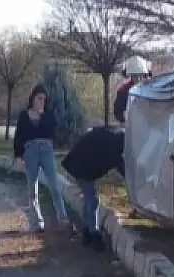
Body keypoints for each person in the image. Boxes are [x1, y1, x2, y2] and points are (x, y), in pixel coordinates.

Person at [13, 85, 70, 234]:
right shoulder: (24, 115)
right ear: (33, 98)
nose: (41, 101)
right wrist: (18, 156)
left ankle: (63, 218)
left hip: (46, 149)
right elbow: (19, 137)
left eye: (44, 99)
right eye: (39, 98)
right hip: (30, 151)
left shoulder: (48, 115)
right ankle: (37, 222)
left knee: (54, 186)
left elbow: (52, 132)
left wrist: (43, 115)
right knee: (32, 188)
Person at [60, 125, 126, 253]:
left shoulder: (116, 134)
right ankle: (94, 234)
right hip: (82, 165)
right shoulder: (116, 142)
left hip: (81, 162)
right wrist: (130, 179)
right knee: (93, 200)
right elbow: (119, 163)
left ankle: (87, 232)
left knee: (89, 200)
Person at [113, 56, 152, 124]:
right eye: (135, 76)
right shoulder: (123, 91)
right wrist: (123, 117)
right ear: (131, 75)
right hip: (129, 127)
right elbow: (118, 111)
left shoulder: (150, 90)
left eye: (140, 75)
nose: (138, 79)